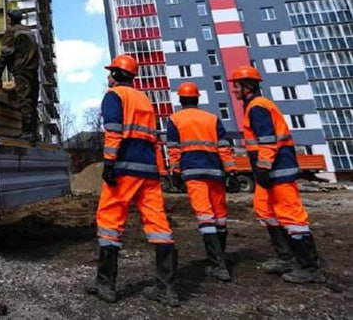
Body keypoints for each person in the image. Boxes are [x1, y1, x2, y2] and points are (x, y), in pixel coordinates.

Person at [93, 54, 179, 307]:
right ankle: (166, 288)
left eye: (110, 72)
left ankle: (105, 284)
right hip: (148, 171)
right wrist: (161, 171)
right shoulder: (144, 99)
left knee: (110, 222)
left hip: (124, 169)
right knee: (158, 224)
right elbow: (153, 138)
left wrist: (109, 163)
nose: (108, 77)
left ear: (116, 74)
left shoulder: (114, 96)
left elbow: (114, 131)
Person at [231, 64, 324, 283]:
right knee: (265, 211)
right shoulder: (253, 106)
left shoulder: (258, 107)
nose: (233, 90)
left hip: (278, 171)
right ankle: (287, 257)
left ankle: (309, 266)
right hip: (270, 172)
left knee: (291, 216)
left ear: (247, 86)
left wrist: (264, 167)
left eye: (236, 86)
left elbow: (268, 141)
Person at [166, 82, 239, 282]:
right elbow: (224, 147)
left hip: (193, 173)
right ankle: (220, 257)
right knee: (220, 216)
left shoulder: (175, 119)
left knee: (205, 216)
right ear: (197, 98)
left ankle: (217, 265)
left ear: (181, 99)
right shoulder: (212, 118)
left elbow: (174, 149)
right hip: (215, 172)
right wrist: (232, 171)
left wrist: (175, 171)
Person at [0, 9, 40, 142]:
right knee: (32, 101)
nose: (7, 20)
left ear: (12, 19)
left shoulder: (12, 31)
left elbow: (6, 54)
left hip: (22, 69)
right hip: (33, 70)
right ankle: (34, 133)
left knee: (24, 100)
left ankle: (27, 133)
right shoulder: (29, 31)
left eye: (8, 18)